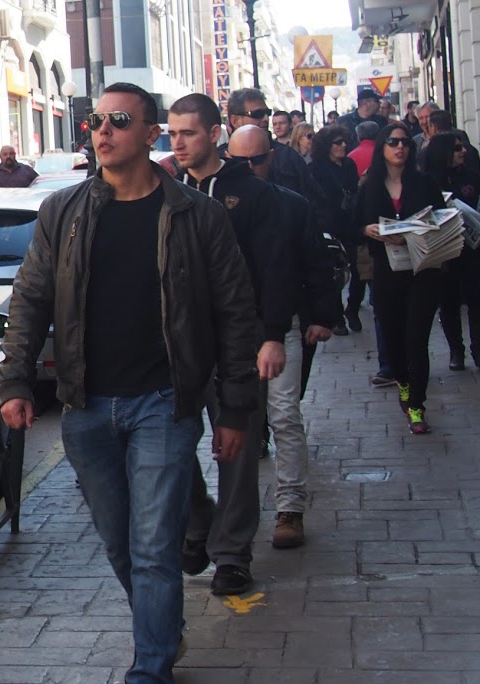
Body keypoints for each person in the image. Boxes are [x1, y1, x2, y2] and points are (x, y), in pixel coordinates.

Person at [0, 82, 259, 684]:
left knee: (153, 546)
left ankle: (150, 668)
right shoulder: (62, 212)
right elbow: (31, 300)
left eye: (118, 120)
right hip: (86, 406)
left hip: (164, 404)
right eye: (95, 121)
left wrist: (235, 409)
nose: (103, 131)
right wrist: (15, 381)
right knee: (119, 543)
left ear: (150, 133)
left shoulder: (198, 216)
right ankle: (163, 630)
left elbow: (235, 315)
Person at [169, 94, 294, 593]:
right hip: (177, 345)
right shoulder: (164, 190)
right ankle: (199, 521)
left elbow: (275, 267)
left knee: (237, 451)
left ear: (214, 134)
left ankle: (231, 554)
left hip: (238, 342)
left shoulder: (253, 194)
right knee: (169, 444)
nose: (179, 143)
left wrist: (272, 336)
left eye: (189, 133)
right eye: (172, 134)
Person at [230, 125, 343, 550]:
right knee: (240, 421)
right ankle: (236, 516)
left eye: (256, 160)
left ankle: (290, 507)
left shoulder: (291, 205)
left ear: (271, 158)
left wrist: (322, 316)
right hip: (235, 329)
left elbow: (315, 261)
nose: (248, 168)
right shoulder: (216, 206)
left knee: (283, 415)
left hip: (283, 326)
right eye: (238, 161)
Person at [358, 123, 447, 433]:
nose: (400, 147)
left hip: (423, 270)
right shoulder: (370, 186)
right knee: (393, 337)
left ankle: (417, 405)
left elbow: (441, 220)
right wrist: (367, 230)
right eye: (393, 142)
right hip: (387, 271)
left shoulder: (424, 183)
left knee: (416, 338)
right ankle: (403, 382)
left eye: (405, 142)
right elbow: (355, 223)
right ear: (382, 147)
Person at [424, 133, 480, 373]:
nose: (463, 151)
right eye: (457, 148)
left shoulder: (471, 176)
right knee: (449, 302)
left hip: (474, 250)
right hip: (446, 252)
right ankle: (456, 351)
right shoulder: (428, 182)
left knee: (477, 300)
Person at [308, 125, 364, 333]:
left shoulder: (349, 164)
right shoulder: (315, 169)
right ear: (327, 146)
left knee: (359, 270)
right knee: (334, 272)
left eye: (344, 141)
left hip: (350, 223)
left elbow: (355, 190)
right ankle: (338, 316)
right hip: (328, 225)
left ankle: (352, 308)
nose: (343, 145)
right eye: (338, 143)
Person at [225, 89, 309, 199]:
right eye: (257, 114)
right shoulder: (219, 160)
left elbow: (313, 201)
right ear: (235, 121)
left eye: (267, 113)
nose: (266, 119)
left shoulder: (288, 156)